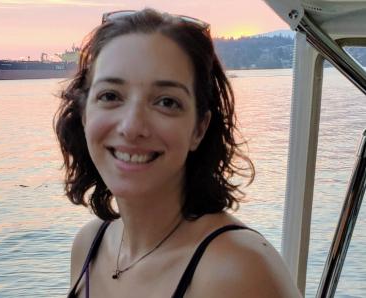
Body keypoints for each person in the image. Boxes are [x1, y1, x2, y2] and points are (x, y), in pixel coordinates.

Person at [55, 8, 301, 298]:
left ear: (199, 128)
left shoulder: (237, 272)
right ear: (84, 115)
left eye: (167, 102)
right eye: (110, 96)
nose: (132, 126)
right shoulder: (88, 245)